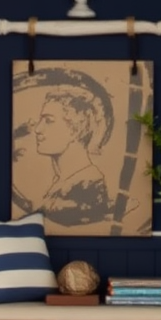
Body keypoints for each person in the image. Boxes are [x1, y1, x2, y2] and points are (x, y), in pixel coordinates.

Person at [32, 87, 113, 227]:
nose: (37, 129)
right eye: (41, 120)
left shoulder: (87, 186)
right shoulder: (62, 182)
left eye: (49, 121)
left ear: (76, 130)